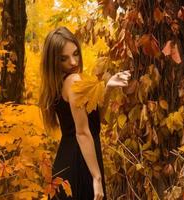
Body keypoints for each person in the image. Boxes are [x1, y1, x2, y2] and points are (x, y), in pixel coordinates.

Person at [39, 27, 131, 200]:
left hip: (71, 160)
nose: (73, 62)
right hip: (80, 162)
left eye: (76, 54)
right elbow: (82, 132)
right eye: (64, 59)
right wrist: (96, 177)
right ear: (54, 61)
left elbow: (95, 121)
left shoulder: (59, 83)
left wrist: (108, 87)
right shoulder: (73, 81)